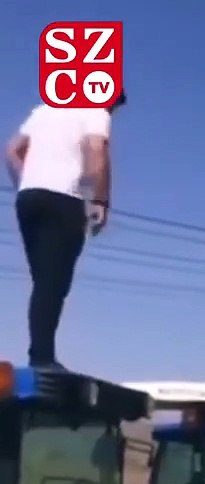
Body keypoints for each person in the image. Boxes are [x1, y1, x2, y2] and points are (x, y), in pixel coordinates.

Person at [6, 93, 126, 368]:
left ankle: (41, 354)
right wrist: (97, 201)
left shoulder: (45, 109)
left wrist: (28, 182)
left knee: (43, 281)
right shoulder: (96, 112)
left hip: (29, 199)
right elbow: (97, 154)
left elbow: (12, 150)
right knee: (54, 282)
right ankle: (42, 358)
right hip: (65, 200)